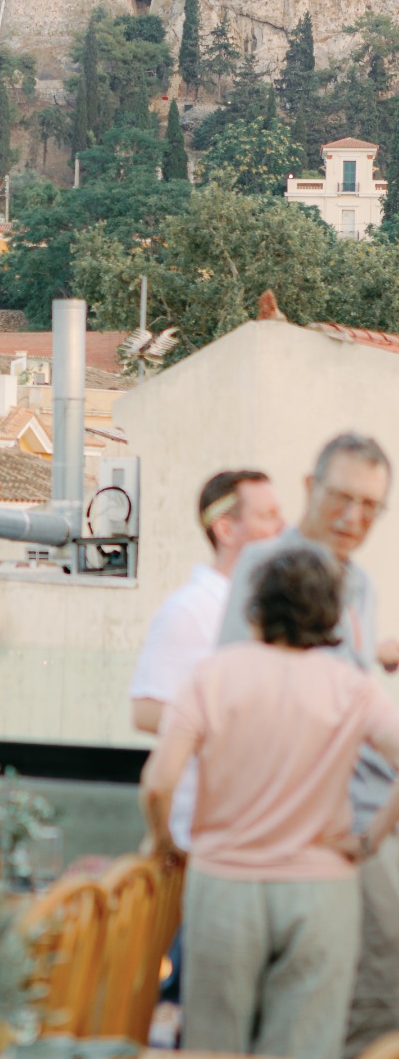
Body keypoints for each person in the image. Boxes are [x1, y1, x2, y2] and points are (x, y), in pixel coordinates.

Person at [142, 547, 399, 1059]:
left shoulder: (211, 675)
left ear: (253, 610)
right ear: (333, 620)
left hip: (224, 885)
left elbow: (158, 781)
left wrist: (167, 839)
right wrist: (371, 838)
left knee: (213, 1045)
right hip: (321, 890)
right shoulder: (354, 688)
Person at [218, 432, 397, 1059]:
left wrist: (377, 659)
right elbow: (239, 690)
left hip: (368, 811)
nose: (354, 517)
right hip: (319, 825)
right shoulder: (265, 565)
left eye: (371, 506)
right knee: (376, 988)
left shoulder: (362, 586)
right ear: (308, 489)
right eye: (342, 497)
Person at [130, 469, 284, 848]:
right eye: (268, 517)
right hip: (204, 834)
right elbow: (145, 711)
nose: (284, 528)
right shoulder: (189, 610)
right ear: (226, 530)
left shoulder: (267, 610)